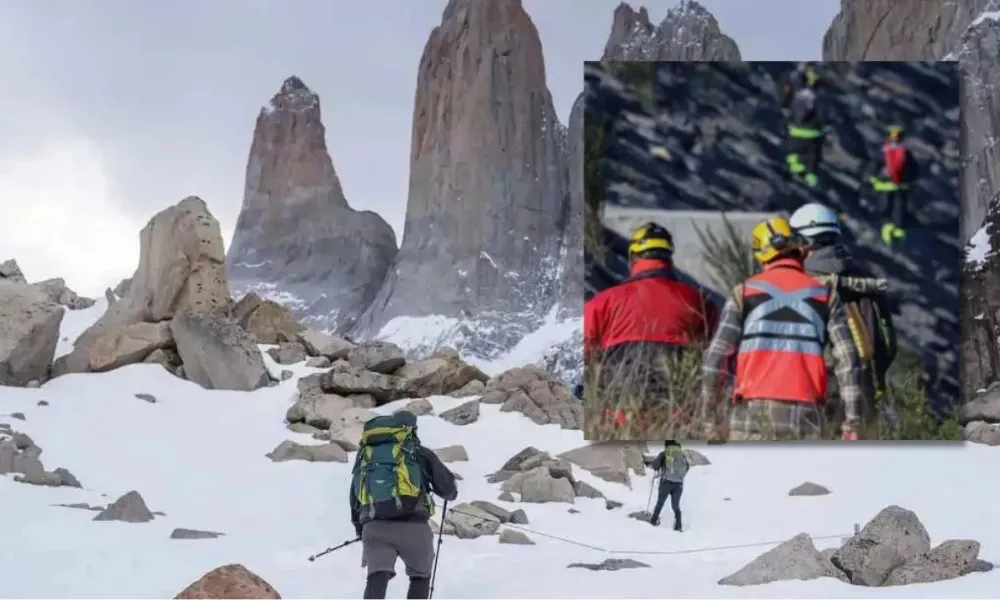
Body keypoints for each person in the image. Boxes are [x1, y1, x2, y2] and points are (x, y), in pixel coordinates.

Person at [700, 215, 863, 441]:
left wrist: (711, 420)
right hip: (806, 420)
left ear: (762, 255)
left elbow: (715, 361)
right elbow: (848, 361)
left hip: (750, 417)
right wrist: (852, 422)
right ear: (799, 250)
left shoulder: (743, 293)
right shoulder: (826, 296)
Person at [584, 222, 719, 437]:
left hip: (619, 415)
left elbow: (581, 355)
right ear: (668, 259)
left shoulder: (604, 302)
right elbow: (717, 355)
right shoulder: (699, 302)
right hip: (676, 417)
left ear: (634, 258)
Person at [790, 202, 898, 439]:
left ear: (805, 242)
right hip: (865, 390)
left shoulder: (798, 282)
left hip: (814, 394)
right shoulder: (866, 278)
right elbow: (888, 342)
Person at [350, 411, 458, 600]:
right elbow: (448, 490)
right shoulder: (418, 453)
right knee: (420, 576)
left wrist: (361, 529)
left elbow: (355, 498)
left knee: (377, 575)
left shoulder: (366, 456)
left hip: (374, 526)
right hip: (414, 527)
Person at [869, 124, 920, 248]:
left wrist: (873, 180)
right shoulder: (903, 153)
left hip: (886, 186)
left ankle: (890, 234)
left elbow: (873, 166)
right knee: (897, 209)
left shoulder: (884, 151)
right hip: (898, 187)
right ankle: (896, 234)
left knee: (888, 209)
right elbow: (914, 169)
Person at [785, 68, 827, 188]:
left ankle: (795, 170)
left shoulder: (797, 94)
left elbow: (787, 106)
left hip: (795, 131)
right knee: (812, 158)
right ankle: (810, 181)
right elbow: (822, 115)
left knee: (793, 152)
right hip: (812, 133)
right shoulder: (818, 96)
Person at [643, 440, 689, 531]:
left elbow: (655, 465)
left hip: (666, 482)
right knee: (676, 505)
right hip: (679, 484)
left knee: (660, 503)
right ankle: (678, 526)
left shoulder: (665, 453)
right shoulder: (682, 454)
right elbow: (687, 467)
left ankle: (653, 521)